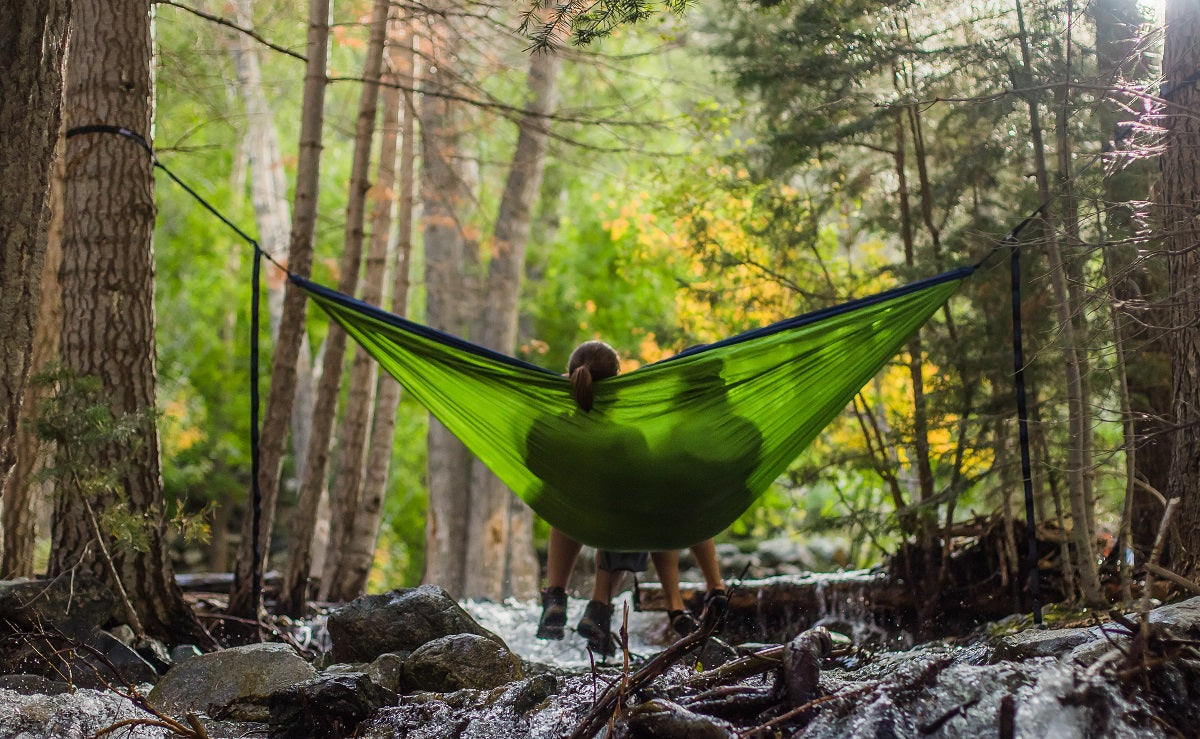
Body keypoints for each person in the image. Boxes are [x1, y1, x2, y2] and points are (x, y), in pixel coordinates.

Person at [534, 340, 728, 656]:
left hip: (572, 518)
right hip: (618, 527)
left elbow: (532, 463)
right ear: (617, 384)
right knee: (642, 502)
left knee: (566, 500)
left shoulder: (549, 427)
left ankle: (556, 595)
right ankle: (615, 605)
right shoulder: (628, 436)